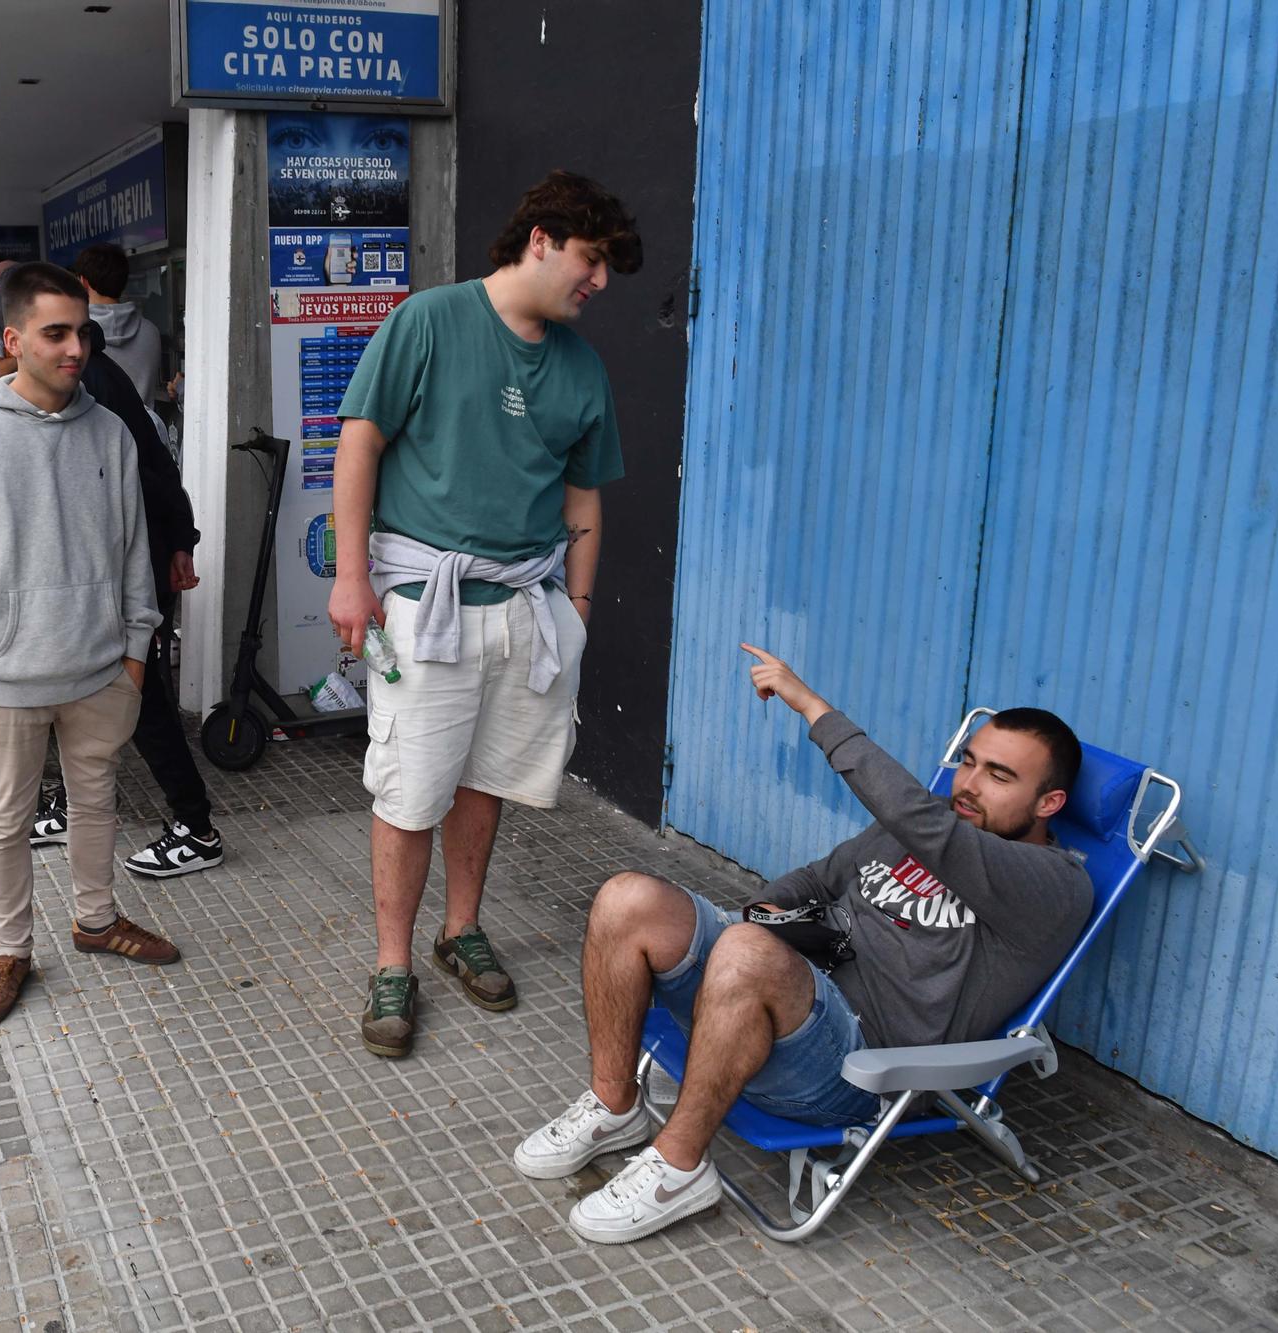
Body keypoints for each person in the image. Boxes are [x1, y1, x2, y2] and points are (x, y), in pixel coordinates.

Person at [515, 648, 1094, 1244]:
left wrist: (812, 707)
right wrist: (768, 912)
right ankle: (615, 1106)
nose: (967, 786)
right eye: (968, 763)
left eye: (999, 776)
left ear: (1049, 803)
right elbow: (819, 880)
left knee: (745, 951)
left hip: (859, 1070)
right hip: (791, 996)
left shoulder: (1053, 886)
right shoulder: (937, 823)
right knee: (626, 899)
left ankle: (680, 1168)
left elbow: (927, 825)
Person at [328, 170, 640, 1059]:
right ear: (540, 239)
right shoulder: (430, 319)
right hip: (428, 603)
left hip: (527, 608)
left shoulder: (582, 366)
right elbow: (360, 440)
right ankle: (393, 965)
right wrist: (353, 576)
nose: (601, 283)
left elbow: (584, 495)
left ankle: (459, 928)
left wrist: (575, 608)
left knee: (486, 780)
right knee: (410, 788)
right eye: (593, 260)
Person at [0, 261, 177, 1027]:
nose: (74, 349)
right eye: (55, 333)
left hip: (99, 666)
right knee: (6, 818)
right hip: (3, 673)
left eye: (81, 332)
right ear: (14, 337)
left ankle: (96, 920)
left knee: (97, 802)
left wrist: (135, 645)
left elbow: (132, 546)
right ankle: (11, 950)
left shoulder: (110, 428)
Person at [29, 317, 223, 877]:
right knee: (82, 687)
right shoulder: (71, 387)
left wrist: (179, 542)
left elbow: (155, 472)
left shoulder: (97, 389)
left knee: (139, 700)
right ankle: (73, 803)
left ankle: (197, 826)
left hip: (128, 571)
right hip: (102, 569)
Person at [72, 243, 163, 407]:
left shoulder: (76, 334)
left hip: (98, 431)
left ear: (83, 282)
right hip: (144, 430)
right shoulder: (150, 331)